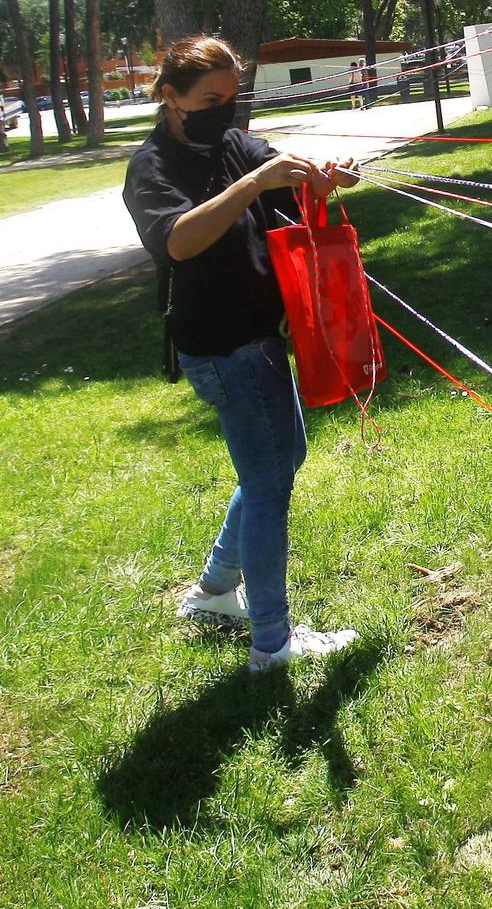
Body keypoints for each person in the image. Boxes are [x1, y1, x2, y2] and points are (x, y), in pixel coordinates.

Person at [122, 35, 362, 673]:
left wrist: (322, 177)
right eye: (209, 99)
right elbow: (177, 241)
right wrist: (254, 182)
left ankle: (216, 589)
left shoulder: (232, 146)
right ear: (169, 97)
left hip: (261, 336)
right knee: (266, 485)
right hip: (222, 346)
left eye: (232, 98)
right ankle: (271, 644)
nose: (224, 110)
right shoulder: (153, 166)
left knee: (282, 463)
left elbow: (286, 185)